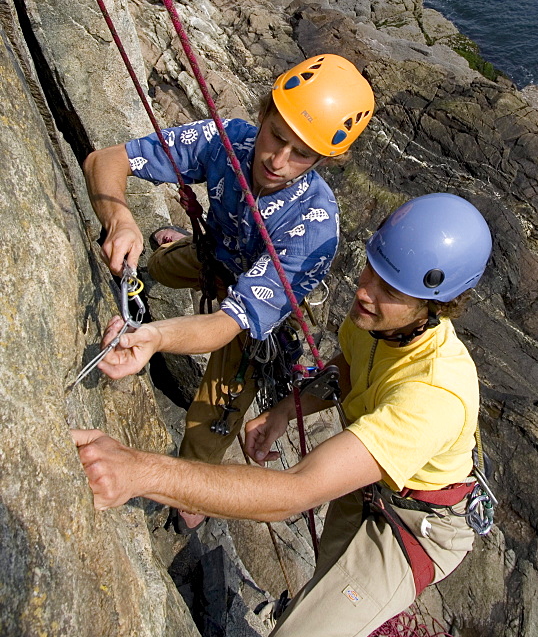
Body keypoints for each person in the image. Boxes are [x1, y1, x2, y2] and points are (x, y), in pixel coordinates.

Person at [73, 193, 493, 637]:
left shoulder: (436, 394)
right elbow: (350, 367)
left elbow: (292, 494)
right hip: (378, 485)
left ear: (436, 306)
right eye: (372, 269)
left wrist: (138, 470)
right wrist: (281, 415)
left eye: (390, 289)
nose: (366, 291)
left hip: (421, 524)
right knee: (319, 601)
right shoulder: (379, 324)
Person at [82, 53, 374, 526]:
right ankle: (167, 250)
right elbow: (107, 160)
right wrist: (120, 219)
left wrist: (154, 337)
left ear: (324, 159)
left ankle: (193, 505)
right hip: (213, 254)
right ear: (263, 115)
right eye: (276, 136)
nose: (277, 161)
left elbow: (225, 325)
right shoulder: (228, 142)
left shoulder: (313, 228)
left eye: (301, 153)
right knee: (156, 262)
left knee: (207, 426)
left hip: (251, 317)